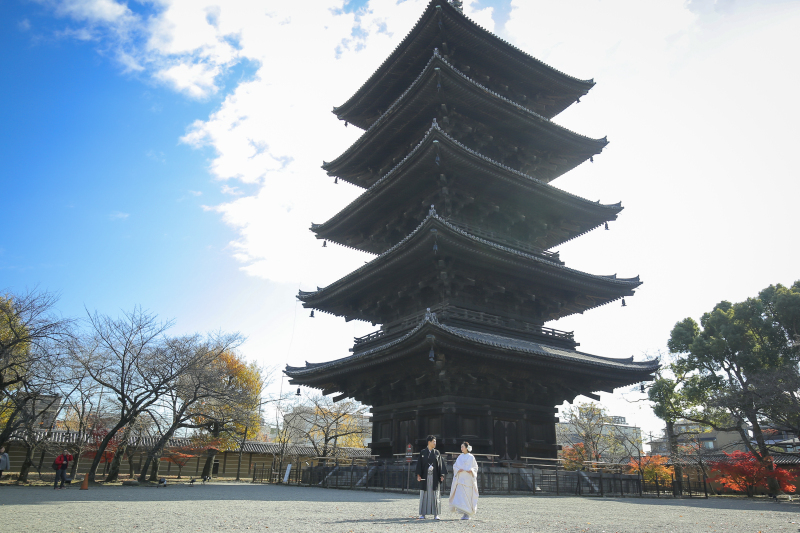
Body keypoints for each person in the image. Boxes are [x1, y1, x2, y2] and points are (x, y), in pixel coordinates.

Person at [415, 435, 447, 520]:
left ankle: (436, 514)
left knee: (435, 494)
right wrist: (418, 475)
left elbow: (440, 464)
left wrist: (442, 475)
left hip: (434, 476)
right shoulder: (422, 452)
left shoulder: (437, 452)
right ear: (429, 442)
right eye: (434, 441)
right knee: (424, 494)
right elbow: (419, 464)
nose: (435, 443)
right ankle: (423, 514)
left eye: (435, 441)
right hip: (425, 476)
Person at [449, 441, 479, 520]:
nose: (461, 448)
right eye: (461, 447)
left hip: (468, 480)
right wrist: (458, 469)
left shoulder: (471, 457)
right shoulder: (460, 457)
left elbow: (475, 467)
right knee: (461, 497)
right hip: (461, 479)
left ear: (466, 448)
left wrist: (471, 470)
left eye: (462, 447)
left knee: (468, 497)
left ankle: (467, 514)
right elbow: (455, 466)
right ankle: (464, 513)